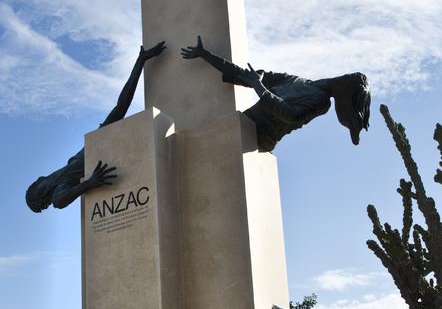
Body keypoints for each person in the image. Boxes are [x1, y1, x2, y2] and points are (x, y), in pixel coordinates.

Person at [26, 41, 166, 212]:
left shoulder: (59, 174)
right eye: (42, 194)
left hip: (88, 150)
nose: (44, 187)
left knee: (120, 108)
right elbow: (59, 202)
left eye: (40, 187)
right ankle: (141, 61)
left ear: (40, 180)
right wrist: (88, 183)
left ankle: (140, 60)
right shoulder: (60, 187)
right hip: (95, 153)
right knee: (120, 109)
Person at [180, 36, 370, 151]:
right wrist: (205, 55)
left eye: (347, 81)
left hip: (256, 140)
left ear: (345, 93)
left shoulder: (321, 102)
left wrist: (259, 88)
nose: (342, 77)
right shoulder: (298, 81)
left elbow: (291, 115)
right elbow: (245, 75)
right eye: (346, 75)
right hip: (241, 126)